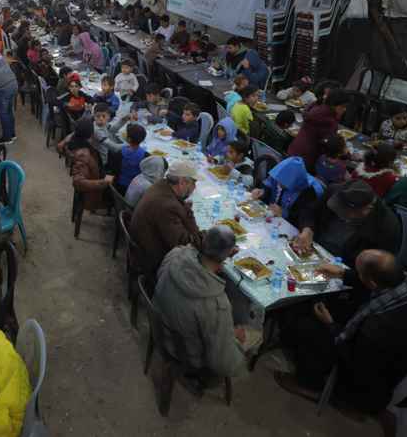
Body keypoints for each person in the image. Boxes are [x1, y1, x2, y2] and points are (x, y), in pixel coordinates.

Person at [275, 250, 407, 416]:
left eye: (359, 273)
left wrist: (329, 325)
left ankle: (311, 387)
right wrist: (343, 273)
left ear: (373, 283)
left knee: (305, 327)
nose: (358, 275)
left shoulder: (382, 325)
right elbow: (378, 284)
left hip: (397, 382)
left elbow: (356, 362)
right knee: (344, 308)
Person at [154, 226, 262, 383]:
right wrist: (234, 339)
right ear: (232, 253)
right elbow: (226, 365)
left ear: (203, 243)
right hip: (186, 354)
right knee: (257, 334)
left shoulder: (176, 253)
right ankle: (206, 378)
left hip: (160, 328)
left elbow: (160, 276)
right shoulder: (216, 304)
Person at [295, 180, 401, 269]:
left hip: (341, 265)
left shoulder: (387, 228)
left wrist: (343, 272)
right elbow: (310, 211)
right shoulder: (335, 191)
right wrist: (308, 230)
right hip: (313, 246)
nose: (338, 213)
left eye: (344, 211)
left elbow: (373, 271)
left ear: (367, 210)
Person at [130, 159, 207, 272]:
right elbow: (184, 245)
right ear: (181, 182)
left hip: (146, 244)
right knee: (207, 263)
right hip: (151, 259)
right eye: (193, 183)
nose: (195, 187)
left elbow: (185, 208)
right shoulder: (167, 207)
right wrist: (207, 237)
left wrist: (196, 233)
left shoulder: (162, 184)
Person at [56, 116, 115, 211]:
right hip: (94, 191)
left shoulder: (71, 137)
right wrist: (103, 182)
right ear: (93, 132)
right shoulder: (84, 154)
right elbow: (77, 182)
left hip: (93, 172)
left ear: (75, 131)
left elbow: (59, 148)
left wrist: (72, 157)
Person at [287, 89, 351, 172]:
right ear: (332, 105)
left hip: (294, 150)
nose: (345, 109)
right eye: (343, 106)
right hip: (308, 159)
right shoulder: (329, 122)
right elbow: (330, 146)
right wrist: (347, 155)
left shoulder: (316, 105)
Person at [252, 157, 324, 227]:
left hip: (292, 226)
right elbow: (268, 185)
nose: (278, 184)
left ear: (293, 183)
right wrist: (262, 191)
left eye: (283, 183)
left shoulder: (313, 192)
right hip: (270, 218)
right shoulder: (280, 174)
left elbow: (308, 219)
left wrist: (284, 213)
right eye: (278, 181)